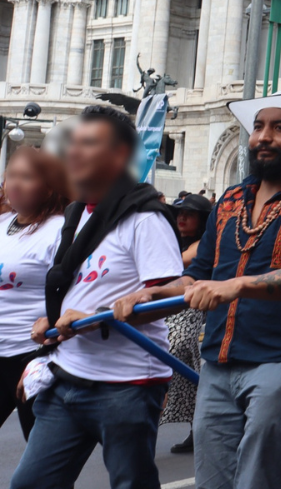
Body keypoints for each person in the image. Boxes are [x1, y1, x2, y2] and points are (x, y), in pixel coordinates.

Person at [114, 93, 281, 489]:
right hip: (218, 364)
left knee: (260, 480)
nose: (264, 137)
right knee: (211, 482)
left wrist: (235, 286)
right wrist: (151, 294)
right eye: (258, 127)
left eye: (280, 127)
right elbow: (201, 272)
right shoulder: (231, 199)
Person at [11, 106, 182, 489]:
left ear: (119, 155)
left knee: (131, 484)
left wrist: (106, 313)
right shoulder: (75, 215)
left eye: (88, 143)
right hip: (66, 376)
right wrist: (48, 322)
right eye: (72, 143)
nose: (73, 152)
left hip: (127, 385)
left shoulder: (144, 217)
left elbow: (174, 294)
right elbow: (71, 288)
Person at [0, 147, 68, 439]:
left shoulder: (60, 230)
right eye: (10, 175)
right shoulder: (4, 224)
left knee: (44, 466)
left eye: (26, 177)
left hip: (31, 355)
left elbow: (75, 292)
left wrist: (46, 354)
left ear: (50, 186)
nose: (14, 184)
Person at [163, 192, 214, 454]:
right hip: (159, 308)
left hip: (187, 308)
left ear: (202, 219)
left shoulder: (202, 244)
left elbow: (177, 263)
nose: (182, 218)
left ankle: (199, 423)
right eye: (180, 213)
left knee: (177, 351)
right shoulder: (173, 240)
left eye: (189, 214)